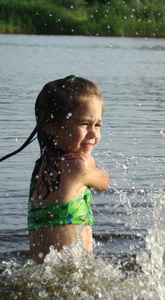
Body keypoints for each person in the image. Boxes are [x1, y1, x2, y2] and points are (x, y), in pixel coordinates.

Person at [0, 75, 110, 263]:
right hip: (73, 273)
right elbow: (104, 183)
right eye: (84, 124)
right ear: (50, 126)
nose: (93, 134)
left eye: (97, 125)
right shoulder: (79, 166)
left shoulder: (42, 167)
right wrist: (90, 163)